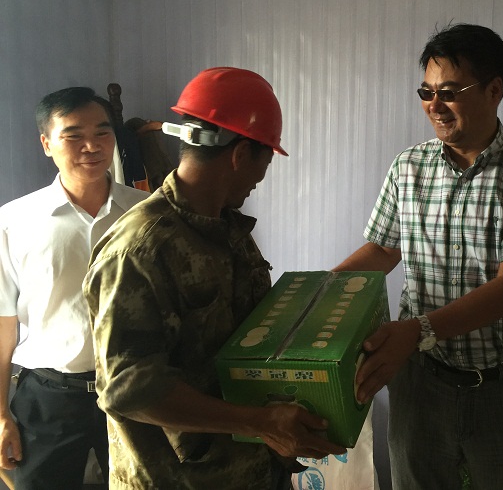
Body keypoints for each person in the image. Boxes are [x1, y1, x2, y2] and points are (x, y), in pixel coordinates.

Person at [83, 67, 346, 490]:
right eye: (264, 163)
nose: (260, 180)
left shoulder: (229, 230)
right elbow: (129, 388)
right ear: (240, 155)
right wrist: (260, 422)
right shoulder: (140, 250)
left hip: (255, 470)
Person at [335, 23, 503, 489]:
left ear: (494, 90)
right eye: (426, 92)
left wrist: (417, 331)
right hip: (420, 385)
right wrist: (316, 292)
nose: (434, 106)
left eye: (448, 93)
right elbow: (382, 249)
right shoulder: (408, 166)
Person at [0, 87, 150, 489]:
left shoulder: (146, 212)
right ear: (46, 143)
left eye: (102, 132)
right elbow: (4, 325)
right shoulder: (14, 222)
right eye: (73, 135)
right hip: (49, 396)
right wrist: (0, 414)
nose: (92, 146)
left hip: (134, 390)